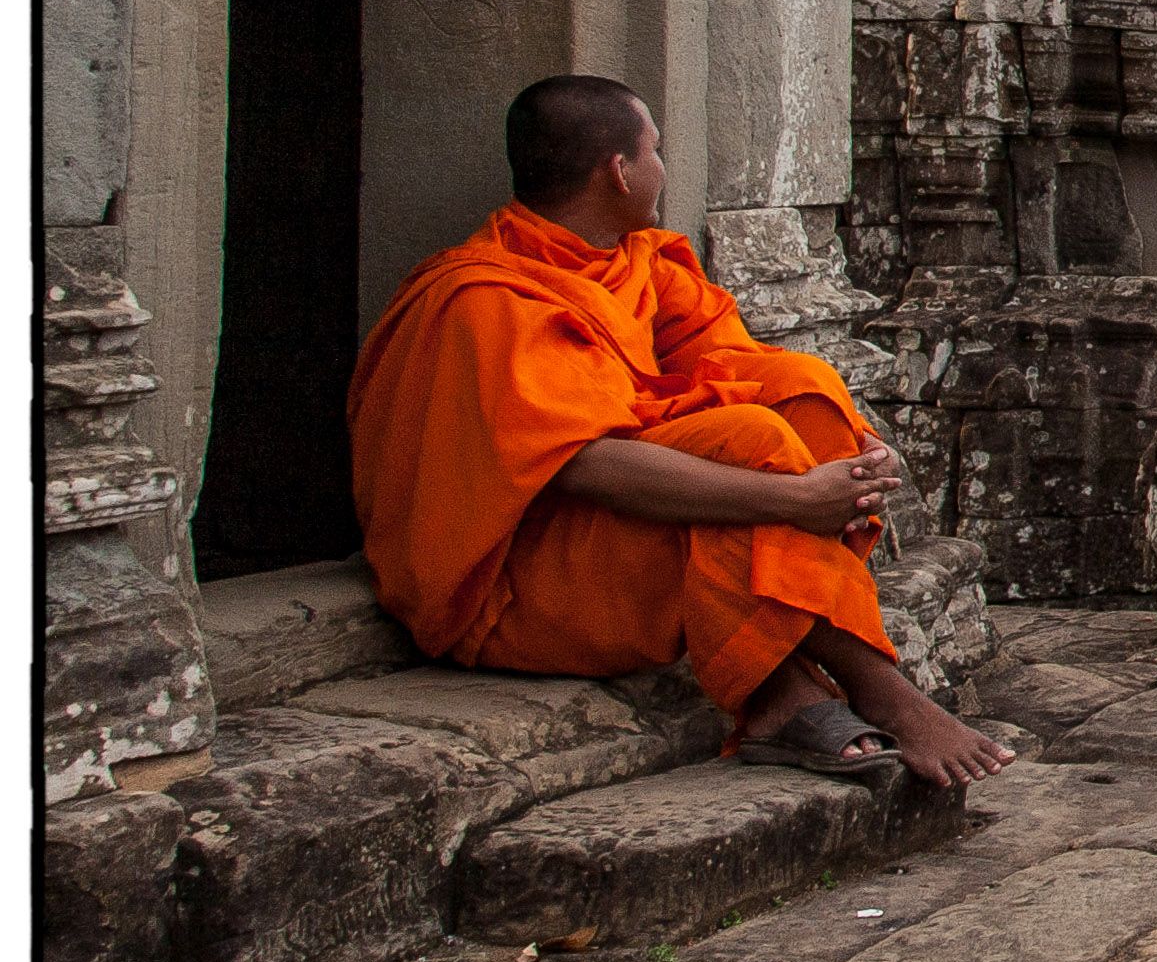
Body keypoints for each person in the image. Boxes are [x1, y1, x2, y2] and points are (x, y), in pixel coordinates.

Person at [348, 76, 1009, 785]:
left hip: (605, 541)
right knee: (753, 448)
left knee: (804, 394)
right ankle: (880, 692)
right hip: (515, 588)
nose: (664, 167)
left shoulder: (634, 265)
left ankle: (785, 689)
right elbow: (588, 467)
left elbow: (743, 360)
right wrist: (794, 500)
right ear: (619, 170)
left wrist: (852, 441)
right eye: (655, 149)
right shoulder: (490, 302)